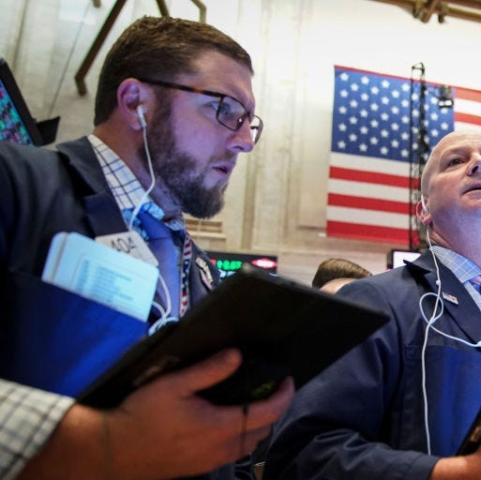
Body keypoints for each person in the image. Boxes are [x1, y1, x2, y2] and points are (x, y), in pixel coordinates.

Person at [0, 17, 293, 479]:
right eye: (225, 110)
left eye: (247, 122)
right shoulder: (15, 181)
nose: (243, 142)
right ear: (135, 100)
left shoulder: (200, 271)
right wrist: (101, 446)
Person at [264, 130, 481, 479]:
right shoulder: (373, 303)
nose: (480, 164)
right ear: (423, 210)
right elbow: (302, 455)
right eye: (455, 161)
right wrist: (461, 475)